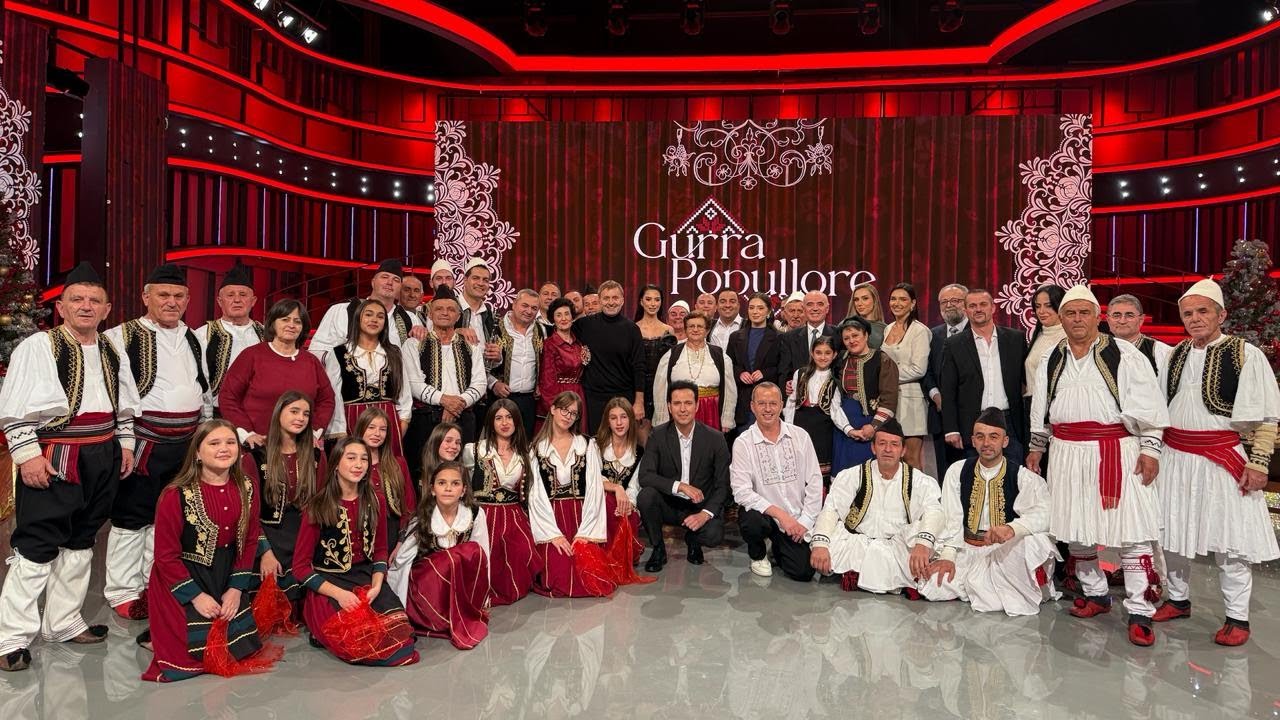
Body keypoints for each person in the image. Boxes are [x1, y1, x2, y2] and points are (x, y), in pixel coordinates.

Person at [0, 263, 139, 673]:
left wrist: (125, 444)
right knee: (37, 545)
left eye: (95, 300)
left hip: (102, 454)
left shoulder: (112, 349)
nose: (86, 306)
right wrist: (27, 455)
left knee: (81, 542)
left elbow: (123, 404)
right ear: (60, 307)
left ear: (107, 309)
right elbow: (15, 408)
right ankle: (11, 636)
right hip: (57, 455)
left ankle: (62, 621)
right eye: (77, 299)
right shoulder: (38, 347)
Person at [1027, 284, 1169, 647]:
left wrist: (1151, 449)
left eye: (1084, 313)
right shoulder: (1052, 356)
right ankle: (1096, 593)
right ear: (1061, 318)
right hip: (1066, 453)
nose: (1077, 319)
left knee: (1132, 529)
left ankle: (1140, 610)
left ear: (1096, 317)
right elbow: (1041, 406)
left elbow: (1149, 405)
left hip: (1117, 451)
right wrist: (1037, 447)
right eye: (1070, 313)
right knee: (1076, 526)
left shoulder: (1124, 353)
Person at [1153, 279, 1280, 646]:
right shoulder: (1174, 355)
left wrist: (1258, 462)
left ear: (1221, 315)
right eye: (1187, 313)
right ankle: (1177, 600)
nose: (1194, 319)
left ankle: (1237, 618)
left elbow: (1267, 415)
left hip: (1222, 458)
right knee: (1171, 533)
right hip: (1175, 457)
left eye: (1202, 311)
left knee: (1231, 540)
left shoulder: (1245, 353)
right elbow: (1159, 408)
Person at [103, 263, 210, 621]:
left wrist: (204, 432)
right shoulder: (121, 335)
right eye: (163, 295)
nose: (171, 302)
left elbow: (203, 389)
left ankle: (154, 585)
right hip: (144, 441)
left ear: (188, 300)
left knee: (168, 518)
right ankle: (122, 591)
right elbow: (116, 393)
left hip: (186, 443)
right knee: (132, 518)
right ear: (146, 297)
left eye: (178, 296)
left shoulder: (193, 337)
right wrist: (125, 442)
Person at [139, 420, 273, 681]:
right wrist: (196, 597)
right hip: (184, 576)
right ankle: (161, 633)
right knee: (191, 660)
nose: (224, 448)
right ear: (198, 453)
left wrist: (236, 589)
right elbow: (165, 557)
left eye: (230, 442)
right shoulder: (175, 495)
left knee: (239, 651)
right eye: (214, 443)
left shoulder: (247, 487)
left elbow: (249, 541)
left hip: (225, 574)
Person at [918, 409, 1058, 616]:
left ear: (1005, 441)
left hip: (1004, 555)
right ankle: (985, 586)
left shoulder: (1022, 476)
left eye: (994, 437)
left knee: (1035, 542)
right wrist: (948, 555)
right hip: (966, 550)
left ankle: (986, 586)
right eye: (980, 436)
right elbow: (951, 517)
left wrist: (1013, 528)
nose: (986, 443)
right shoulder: (957, 470)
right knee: (934, 587)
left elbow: (1045, 513)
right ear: (973, 440)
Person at [293, 438, 419, 666]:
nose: (358, 464)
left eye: (364, 459)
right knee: (359, 644)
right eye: (351, 458)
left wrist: (377, 586)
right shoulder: (317, 506)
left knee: (403, 644)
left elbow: (380, 551)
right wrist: (339, 595)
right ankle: (318, 623)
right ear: (335, 464)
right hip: (330, 584)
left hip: (366, 580)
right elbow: (300, 567)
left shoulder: (376, 501)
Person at [809, 420, 944, 595]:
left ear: (903, 450)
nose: (888, 449)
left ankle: (858, 573)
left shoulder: (921, 481)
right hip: (857, 545)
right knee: (826, 538)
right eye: (882, 443)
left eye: (894, 444)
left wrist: (922, 544)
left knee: (931, 540)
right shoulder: (852, 475)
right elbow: (831, 509)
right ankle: (890, 578)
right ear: (873, 448)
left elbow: (934, 511)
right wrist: (820, 545)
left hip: (899, 547)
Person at [388, 461, 490, 650]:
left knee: (472, 551)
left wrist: (484, 597)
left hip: (458, 582)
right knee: (453, 558)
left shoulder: (476, 514)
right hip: (428, 584)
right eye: (442, 483)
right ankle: (440, 617)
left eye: (455, 483)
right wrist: (396, 603)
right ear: (433, 489)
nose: (448, 489)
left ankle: (461, 611)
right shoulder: (423, 517)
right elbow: (403, 560)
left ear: (463, 490)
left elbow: (483, 555)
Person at [730, 383, 823, 581]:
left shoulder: (800, 436)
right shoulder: (743, 442)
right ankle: (758, 553)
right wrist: (781, 515)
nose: (767, 409)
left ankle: (776, 546)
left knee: (803, 572)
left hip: (796, 519)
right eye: (761, 403)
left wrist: (805, 522)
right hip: (765, 516)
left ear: (781, 405)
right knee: (751, 520)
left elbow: (815, 481)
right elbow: (741, 492)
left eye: (773, 403)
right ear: (752, 406)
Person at [527, 391, 615, 598]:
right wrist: (553, 534)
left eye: (573, 413)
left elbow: (594, 489)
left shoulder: (586, 444)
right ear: (552, 409)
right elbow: (536, 495)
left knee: (589, 577)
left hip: (582, 515)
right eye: (564, 410)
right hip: (550, 518)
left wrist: (585, 532)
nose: (568, 416)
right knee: (559, 575)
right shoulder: (537, 448)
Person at [636, 381, 731, 572]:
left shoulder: (715, 438)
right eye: (677, 403)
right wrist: (680, 486)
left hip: (700, 505)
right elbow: (645, 476)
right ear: (669, 407)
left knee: (713, 535)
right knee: (646, 496)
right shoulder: (658, 435)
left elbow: (723, 486)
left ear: (697, 405)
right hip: (670, 504)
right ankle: (658, 548)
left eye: (688, 403)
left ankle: (693, 540)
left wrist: (704, 515)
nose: (682, 409)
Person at [240, 390, 323, 603]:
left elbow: (323, 507)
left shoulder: (316, 456)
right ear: (279, 413)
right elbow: (247, 514)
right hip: (269, 538)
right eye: (294, 411)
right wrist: (265, 552)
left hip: (304, 538)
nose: (300, 418)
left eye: (306, 414)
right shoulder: (256, 457)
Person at [219, 299, 335, 448]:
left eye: (297, 321)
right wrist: (246, 433)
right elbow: (228, 397)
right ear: (273, 323)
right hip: (258, 446)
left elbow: (327, 400)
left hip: (299, 446)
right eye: (285, 319)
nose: (291, 325)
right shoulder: (251, 356)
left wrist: (314, 432)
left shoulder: (311, 361)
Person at [402, 285, 486, 479]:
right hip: (426, 419)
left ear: (458, 316)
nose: (445, 313)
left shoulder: (471, 345)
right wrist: (444, 400)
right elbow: (414, 383)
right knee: (424, 471)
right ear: (430, 314)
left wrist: (458, 404)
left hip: (463, 417)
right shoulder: (414, 344)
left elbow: (480, 383)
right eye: (439, 309)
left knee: (463, 470)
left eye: (450, 309)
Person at [462, 401, 540, 605]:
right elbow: (465, 485)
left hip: (514, 516)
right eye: (499, 418)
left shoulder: (526, 453)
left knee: (520, 553)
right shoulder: (475, 450)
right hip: (484, 515)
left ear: (516, 421)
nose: (504, 423)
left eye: (509, 417)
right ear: (491, 422)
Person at [941, 288, 1028, 467]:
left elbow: (1026, 382)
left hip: (1010, 423)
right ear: (965, 310)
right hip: (972, 424)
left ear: (993, 307)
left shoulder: (1016, 339)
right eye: (972, 306)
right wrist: (951, 429)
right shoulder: (954, 344)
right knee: (974, 478)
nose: (978, 309)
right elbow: (948, 391)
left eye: (983, 304)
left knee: (1013, 476)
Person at [322, 298, 412, 457]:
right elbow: (334, 395)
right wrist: (341, 432)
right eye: (368, 315)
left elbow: (404, 392)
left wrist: (402, 423)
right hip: (353, 418)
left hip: (388, 420)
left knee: (387, 466)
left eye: (380, 316)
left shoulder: (394, 353)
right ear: (358, 318)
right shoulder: (339, 353)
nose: (374, 320)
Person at [829, 317, 900, 477]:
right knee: (844, 473)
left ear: (866, 335)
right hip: (844, 423)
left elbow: (889, 399)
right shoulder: (840, 360)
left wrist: (873, 426)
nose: (851, 341)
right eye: (846, 338)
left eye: (855, 335)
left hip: (869, 422)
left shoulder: (882, 360)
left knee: (867, 473)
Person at [309, 259, 423, 356]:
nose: (390, 282)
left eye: (396, 280)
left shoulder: (410, 319)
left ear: (400, 288)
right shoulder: (342, 311)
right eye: (384, 277)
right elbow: (317, 351)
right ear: (373, 282)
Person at [576, 280, 646, 432]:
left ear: (622, 300)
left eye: (615, 298)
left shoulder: (632, 329)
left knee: (623, 442)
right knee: (595, 442)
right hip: (593, 399)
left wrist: (639, 402)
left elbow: (639, 367)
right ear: (600, 300)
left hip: (624, 397)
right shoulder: (584, 325)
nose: (611, 302)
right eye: (606, 298)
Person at [196, 262, 263, 416]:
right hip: (217, 414)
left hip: (259, 413)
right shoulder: (203, 334)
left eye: (243, 295)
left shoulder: (266, 334)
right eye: (230, 295)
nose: (237, 300)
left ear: (253, 301)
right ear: (220, 301)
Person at [652, 312, 736, 432]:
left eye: (700, 326)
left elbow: (729, 389)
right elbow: (660, 389)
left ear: (707, 330)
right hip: (680, 410)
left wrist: (726, 419)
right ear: (685, 330)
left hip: (710, 411)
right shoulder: (671, 355)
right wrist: (662, 419)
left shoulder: (720, 355)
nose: (695, 330)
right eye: (691, 326)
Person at [880, 283, 931, 470]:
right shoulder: (888, 328)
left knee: (910, 458)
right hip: (890, 400)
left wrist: (886, 377)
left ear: (913, 303)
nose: (897, 303)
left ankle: (917, 490)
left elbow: (919, 369)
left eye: (903, 299)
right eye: (893, 299)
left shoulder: (920, 331)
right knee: (892, 457)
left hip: (912, 402)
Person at [923, 283, 969, 478]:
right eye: (944, 302)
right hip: (941, 416)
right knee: (946, 474)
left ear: (966, 303)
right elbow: (926, 372)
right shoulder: (932, 335)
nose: (949, 305)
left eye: (955, 300)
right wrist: (936, 396)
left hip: (972, 416)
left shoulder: (977, 332)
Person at [355, 407, 415, 552]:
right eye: (371, 427)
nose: (377, 433)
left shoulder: (398, 464)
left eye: (383, 429)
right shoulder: (350, 465)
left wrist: (401, 542)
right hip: (360, 535)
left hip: (394, 536)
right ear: (361, 428)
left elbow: (409, 506)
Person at [596, 398, 646, 566]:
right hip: (599, 501)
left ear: (630, 420)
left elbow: (634, 486)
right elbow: (594, 478)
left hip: (624, 503)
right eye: (613, 418)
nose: (619, 423)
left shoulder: (639, 452)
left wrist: (628, 503)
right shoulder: (596, 445)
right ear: (607, 421)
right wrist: (617, 488)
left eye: (623, 417)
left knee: (627, 513)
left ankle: (621, 555)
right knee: (607, 502)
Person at [490, 288, 545, 438]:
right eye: (525, 305)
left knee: (525, 442)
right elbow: (479, 364)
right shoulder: (495, 327)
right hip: (501, 399)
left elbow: (544, 362)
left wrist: (540, 383)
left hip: (529, 401)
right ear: (514, 304)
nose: (529, 311)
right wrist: (493, 384)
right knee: (500, 443)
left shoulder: (540, 330)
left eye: (534, 308)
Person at [783, 336, 840, 480]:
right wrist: (788, 427)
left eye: (827, 353)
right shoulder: (800, 373)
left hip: (823, 427)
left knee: (821, 466)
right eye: (818, 352)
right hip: (801, 423)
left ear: (834, 355)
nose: (823, 357)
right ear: (812, 353)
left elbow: (836, 409)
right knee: (799, 465)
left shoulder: (836, 377)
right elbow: (791, 403)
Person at [727, 293, 780, 434]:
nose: (755, 312)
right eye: (751, 308)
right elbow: (728, 365)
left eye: (760, 308)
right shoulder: (735, 337)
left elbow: (782, 368)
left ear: (768, 312)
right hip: (743, 401)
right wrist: (740, 374)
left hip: (768, 399)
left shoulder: (779, 337)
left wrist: (765, 373)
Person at [538, 297, 587, 432]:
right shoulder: (549, 344)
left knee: (578, 435)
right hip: (559, 395)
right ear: (553, 319)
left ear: (572, 317)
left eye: (567, 314)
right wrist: (554, 407)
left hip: (579, 394)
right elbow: (546, 381)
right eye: (558, 315)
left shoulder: (578, 343)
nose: (563, 318)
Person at [1023, 284, 1067, 431]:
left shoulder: (1069, 337)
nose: (1041, 311)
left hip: (1056, 411)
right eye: (1038, 306)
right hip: (1032, 407)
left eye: (1048, 305)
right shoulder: (1039, 334)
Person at [778, 291, 839, 393]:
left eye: (820, 304)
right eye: (810, 304)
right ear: (804, 308)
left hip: (830, 396)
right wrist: (787, 385)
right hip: (799, 396)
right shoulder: (789, 338)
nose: (815, 308)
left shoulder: (838, 334)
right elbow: (784, 372)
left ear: (827, 308)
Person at [634, 284, 677, 424]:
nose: (653, 304)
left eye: (657, 299)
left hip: (663, 386)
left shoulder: (669, 330)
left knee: (662, 430)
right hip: (638, 387)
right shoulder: (633, 328)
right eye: (648, 299)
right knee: (641, 431)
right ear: (641, 302)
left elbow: (672, 364)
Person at [1106, 294, 1172, 375]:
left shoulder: (1160, 352)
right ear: (1108, 320)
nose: (1122, 321)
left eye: (1129, 315)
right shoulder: (1098, 350)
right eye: (1116, 315)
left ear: (1141, 320)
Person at [421, 422, 464, 488]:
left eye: (457, 442)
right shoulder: (419, 475)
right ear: (435, 443)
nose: (454, 446)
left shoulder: (463, 474)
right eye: (448, 441)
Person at [844, 283, 886, 349]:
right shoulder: (844, 325)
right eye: (856, 299)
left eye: (865, 298)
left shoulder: (885, 329)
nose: (859, 304)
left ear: (874, 300)